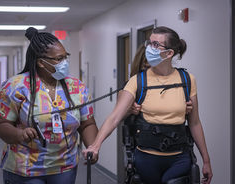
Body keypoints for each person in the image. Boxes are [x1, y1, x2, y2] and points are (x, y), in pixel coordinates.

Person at [83, 26, 212, 184]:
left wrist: (206, 160)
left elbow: (195, 123)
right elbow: (115, 117)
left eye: (156, 45)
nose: (149, 48)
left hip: (179, 157)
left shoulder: (187, 80)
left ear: (169, 53)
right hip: (146, 159)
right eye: (149, 43)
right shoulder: (138, 81)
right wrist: (95, 145)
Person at [0, 27, 98, 184]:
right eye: (58, 59)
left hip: (65, 167)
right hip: (26, 168)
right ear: (41, 63)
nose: (64, 62)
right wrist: (19, 134)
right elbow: (2, 125)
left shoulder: (77, 87)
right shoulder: (16, 86)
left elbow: (87, 123)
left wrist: (93, 146)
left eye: (65, 57)